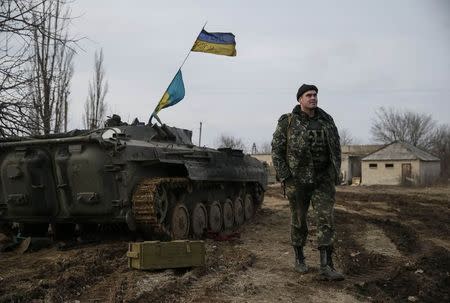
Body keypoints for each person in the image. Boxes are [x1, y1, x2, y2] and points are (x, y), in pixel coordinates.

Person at [271, 84, 344, 281]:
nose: (313, 98)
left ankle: (326, 265)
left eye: (315, 95)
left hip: (323, 180)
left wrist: (334, 171)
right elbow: (277, 151)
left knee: (325, 219)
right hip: (298, 181)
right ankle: (300, 258)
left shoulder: (326, 121)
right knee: (299, 220)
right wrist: (286, 176)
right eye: (308, 95)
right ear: (300, 99)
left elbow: (336, 148)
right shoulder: (288, 122)